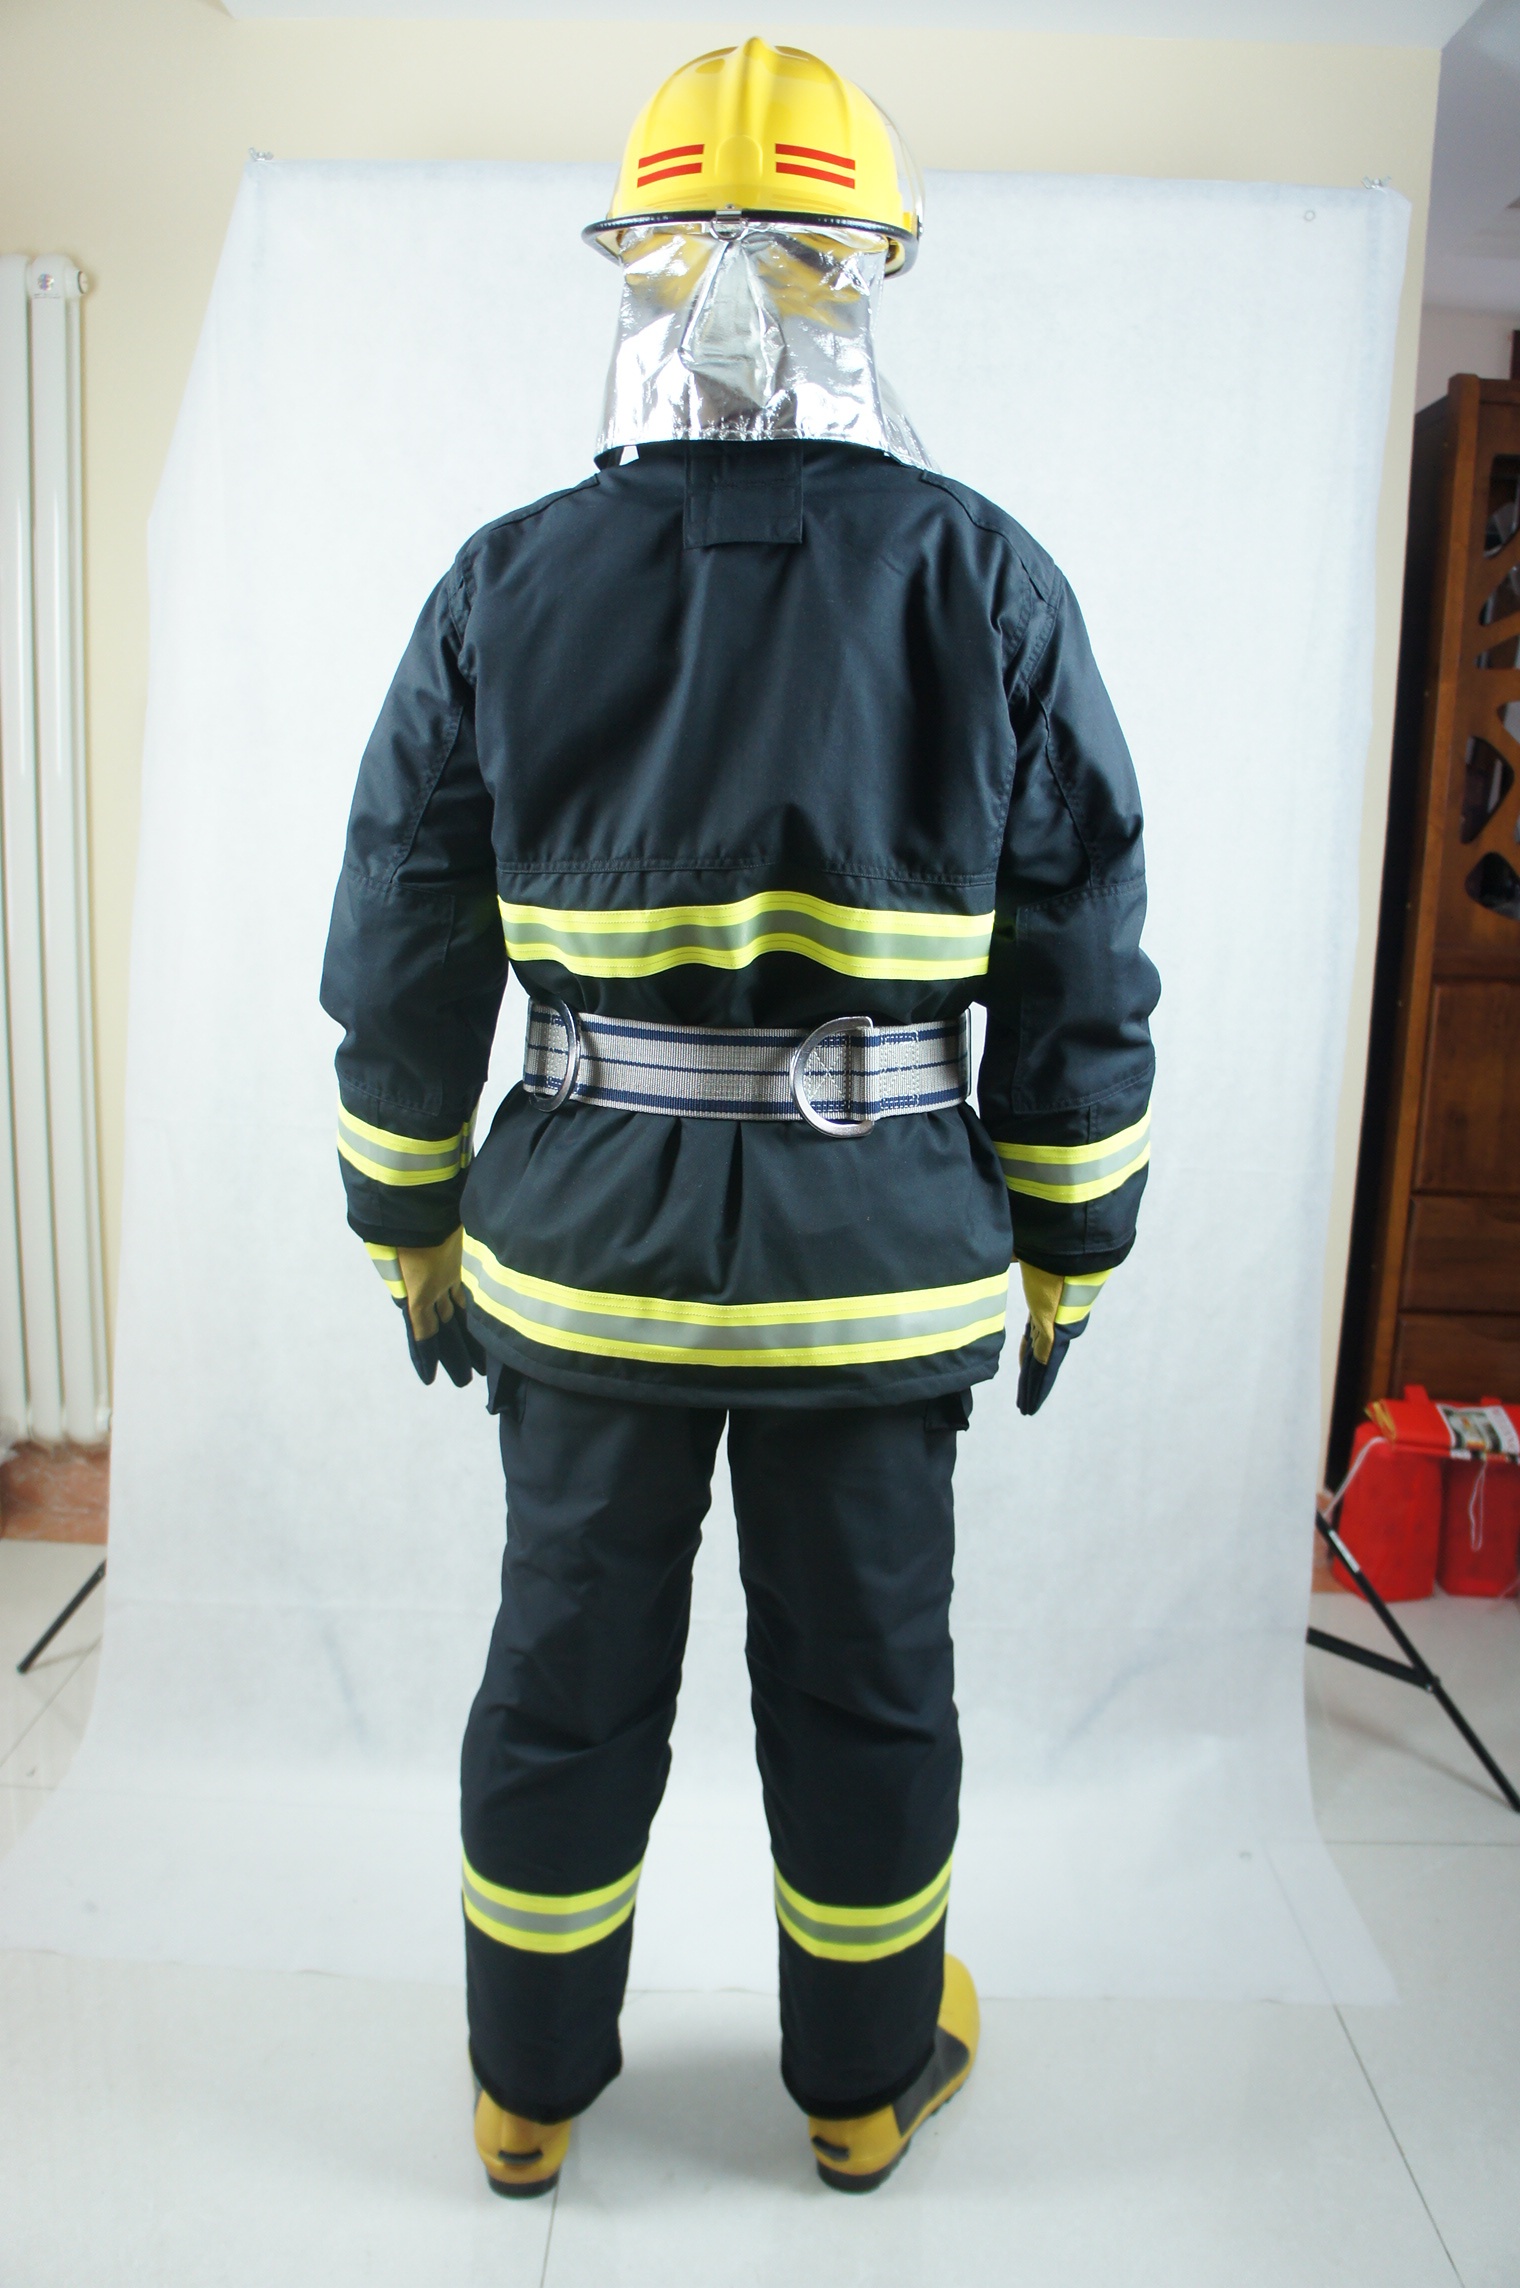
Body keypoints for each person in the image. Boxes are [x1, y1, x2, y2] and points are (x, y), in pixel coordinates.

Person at [321, 35, 1158, 2200]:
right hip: (873, 1275)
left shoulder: (508, 582)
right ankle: (859, 2087)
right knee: (864, 1687)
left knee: (564, 1676)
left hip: (582, 1261)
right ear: (866, 269)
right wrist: (1070, 1242)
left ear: (637, 260)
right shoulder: (987, 582)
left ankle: (524, 2093)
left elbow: (406, 918)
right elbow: (1079, 933)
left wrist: (406, 1210)